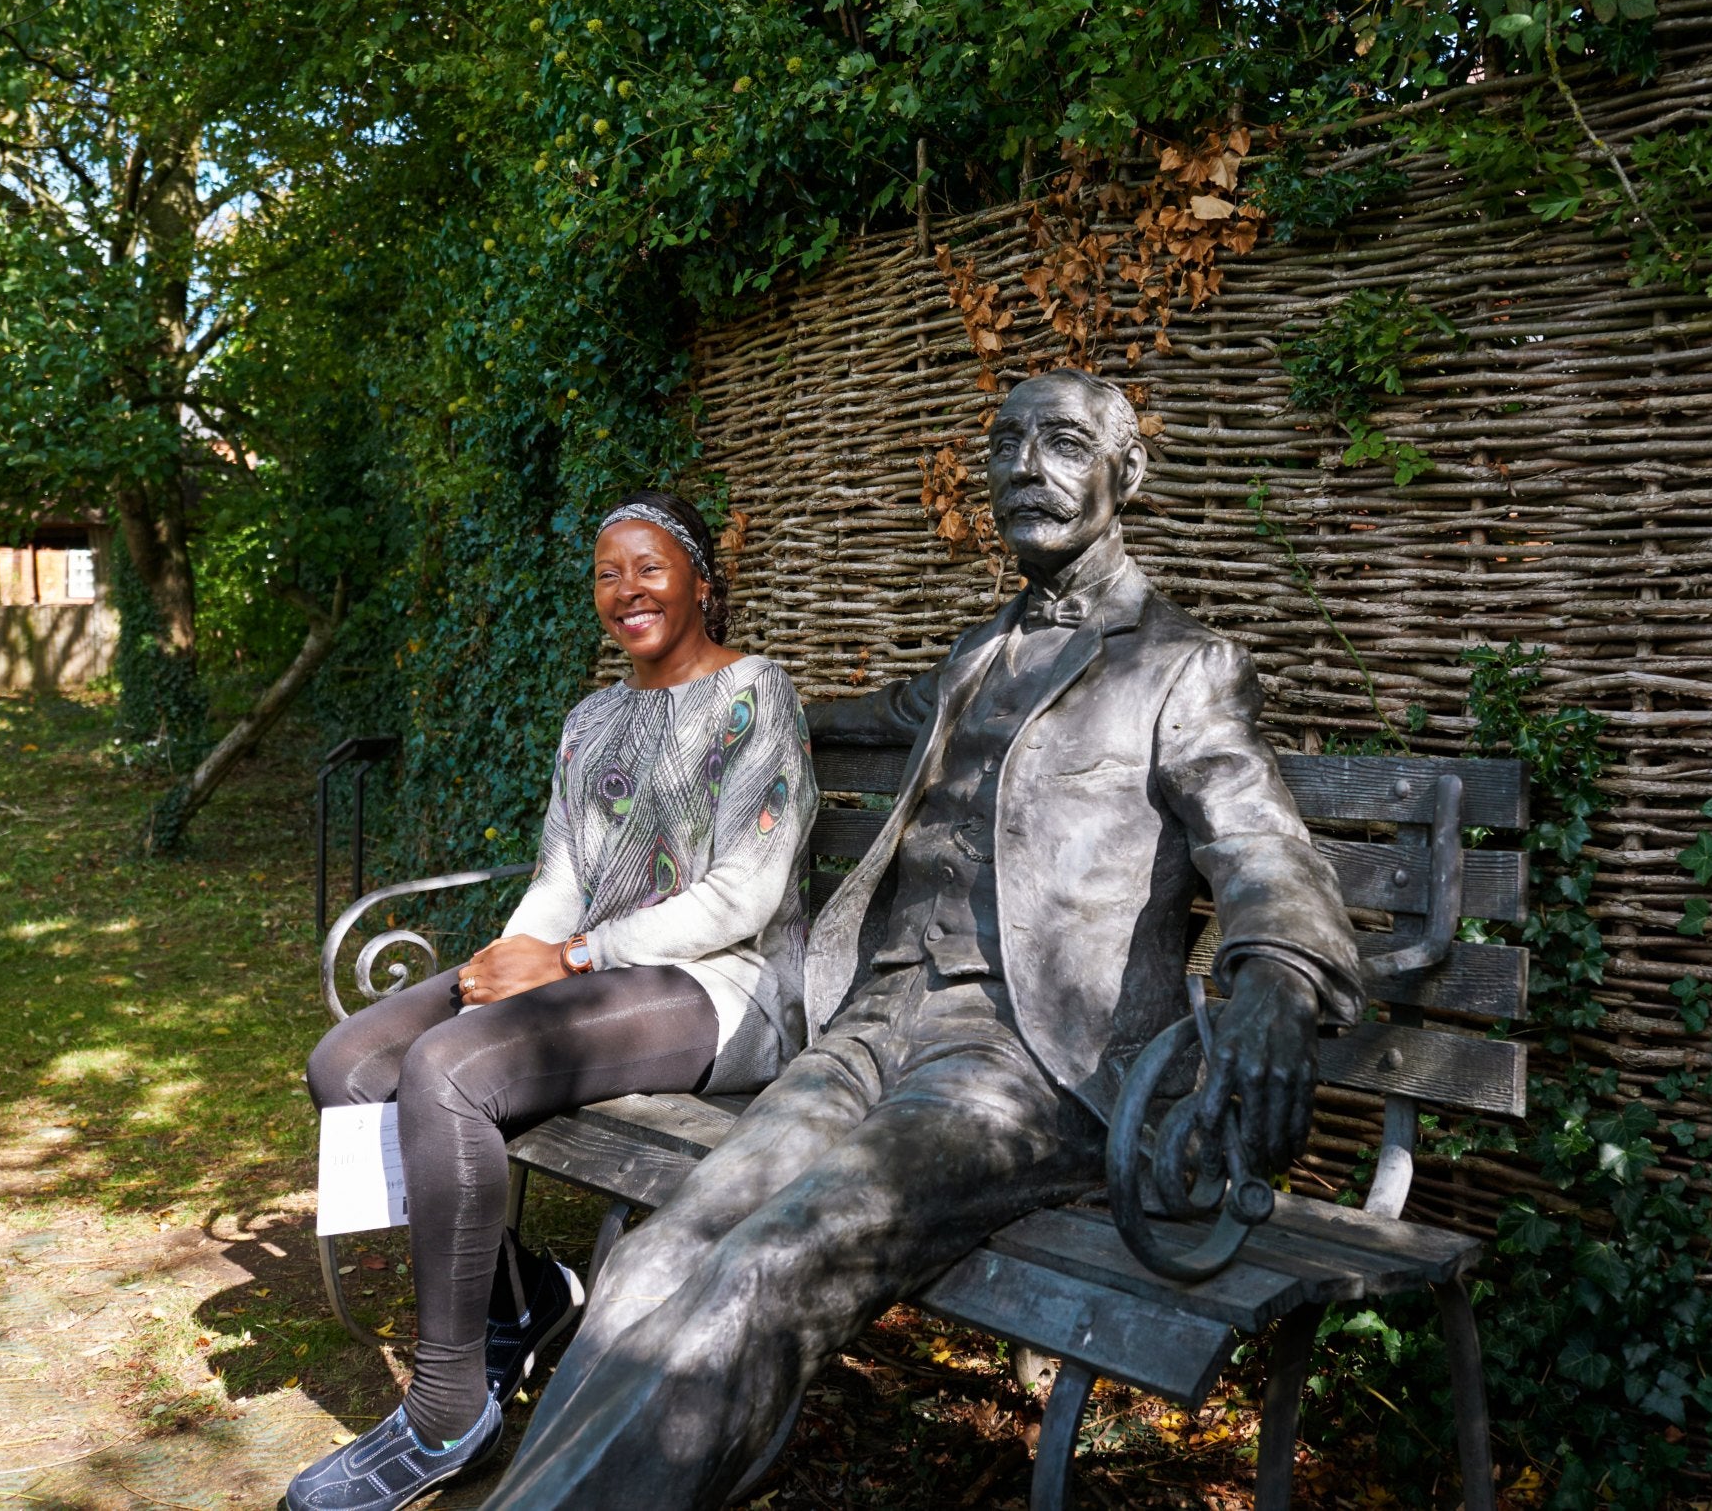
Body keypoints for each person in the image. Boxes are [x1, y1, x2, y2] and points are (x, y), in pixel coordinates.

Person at [479, 370, 1361, 1510]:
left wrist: (1279, 983)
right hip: (872, 1022)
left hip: (1024, 1068)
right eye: (1003, 445)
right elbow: (829, 715)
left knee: (771, 1264)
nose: (1024, 468)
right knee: (655, 1255)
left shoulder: (1182, 667)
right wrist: (720, 711)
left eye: (1063, 443)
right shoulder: (971, 658)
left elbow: (1263, 847)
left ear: (1126, 475)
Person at [284, 491, 817, 1511]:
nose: (627, 591)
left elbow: (746, 892)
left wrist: (568, 960)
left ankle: (448, 1412)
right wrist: (517, 951)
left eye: (650, 567)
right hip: (592, 972)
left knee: (447, 1071)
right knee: (349, 1065)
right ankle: (525, 1303)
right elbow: (563, 871)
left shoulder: (759, 695)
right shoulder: (593, 719)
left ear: (702, 580)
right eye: (608, 574)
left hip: (723, 988)